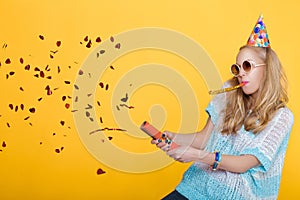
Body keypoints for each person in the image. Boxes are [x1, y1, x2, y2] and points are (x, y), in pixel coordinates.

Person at [152, 15, 294, 200]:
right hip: (196, 187)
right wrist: (173, 137)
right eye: (237, 68)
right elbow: (204, 138)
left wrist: (197, 155)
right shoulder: (228, 94)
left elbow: (244, 163)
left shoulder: (282, 117)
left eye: (247, 66)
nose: (241, 73)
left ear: (267, 68)